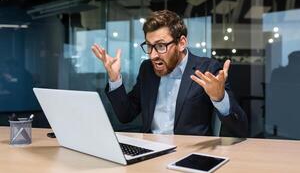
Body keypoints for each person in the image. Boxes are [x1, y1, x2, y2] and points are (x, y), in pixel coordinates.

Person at [92, 10, 248, 137]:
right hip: (149, 151)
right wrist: (114, 78)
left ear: (181, 43)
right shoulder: (147, 69)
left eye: (160, 46)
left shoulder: (207, 69)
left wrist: (220, 99)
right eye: (149, 46)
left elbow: (240, 129)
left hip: (188, 155)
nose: (152, 55)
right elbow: (126, 115)